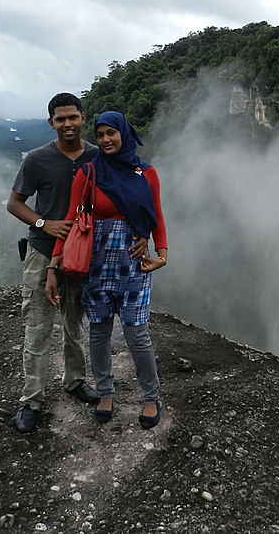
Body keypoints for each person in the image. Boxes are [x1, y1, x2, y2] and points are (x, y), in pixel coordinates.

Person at [48, 111, 168, 429]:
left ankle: (150, 398)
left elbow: (156, 215)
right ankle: (105, 392)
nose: (105, 140)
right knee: (99, 332)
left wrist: (163, 255)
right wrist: (53, 264)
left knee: (137, 334)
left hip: (134, 263)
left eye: (111, 133)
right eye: (100, 135)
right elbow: (70, 221)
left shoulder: (146, 173)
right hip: (97, 264)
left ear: (124, 134)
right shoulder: (89, 172)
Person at [6, 93, 101, 433]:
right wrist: (44, 223)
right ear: (51, 123)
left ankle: (75, 381)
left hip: (81, 254)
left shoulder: (97, 155)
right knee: (37, 326)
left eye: (72, 117)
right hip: (42, 251)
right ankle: (31, 399)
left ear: (82, 117)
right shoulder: (37, 159)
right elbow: (14, 203)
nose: (67, 124)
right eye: (60, 119)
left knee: (74, 323)